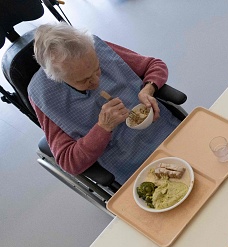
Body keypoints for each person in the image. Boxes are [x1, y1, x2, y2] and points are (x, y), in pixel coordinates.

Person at [28, 23, 181, 184]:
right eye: (84, 80)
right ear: (59, 79)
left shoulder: (94, 48)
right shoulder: (44, 96)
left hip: (166, 132)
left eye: (97, 69)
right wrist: (102, 128)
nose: (96, 82)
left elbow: (154, 65)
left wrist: (149, 88)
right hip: (133, 165)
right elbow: (69, 162)